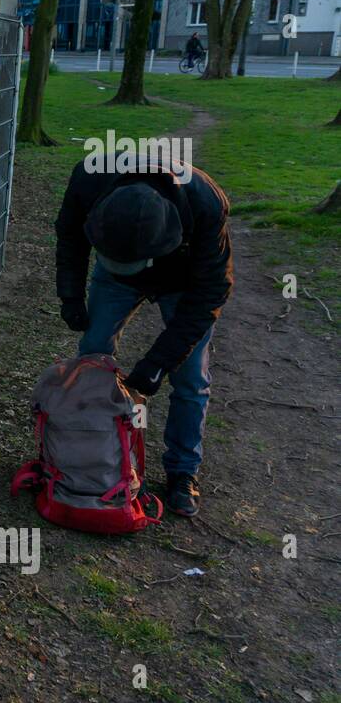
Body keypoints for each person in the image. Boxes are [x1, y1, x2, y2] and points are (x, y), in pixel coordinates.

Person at [55, 158, 233, 518]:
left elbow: (210, 294)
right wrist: (71, 296)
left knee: (190, 378)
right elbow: (70, 235)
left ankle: (183, 471)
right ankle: (93, 452)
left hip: (183, 283)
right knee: (93, 353)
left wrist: (156, 365)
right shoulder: (90, 178)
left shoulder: (206, 203)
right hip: (113, 278)